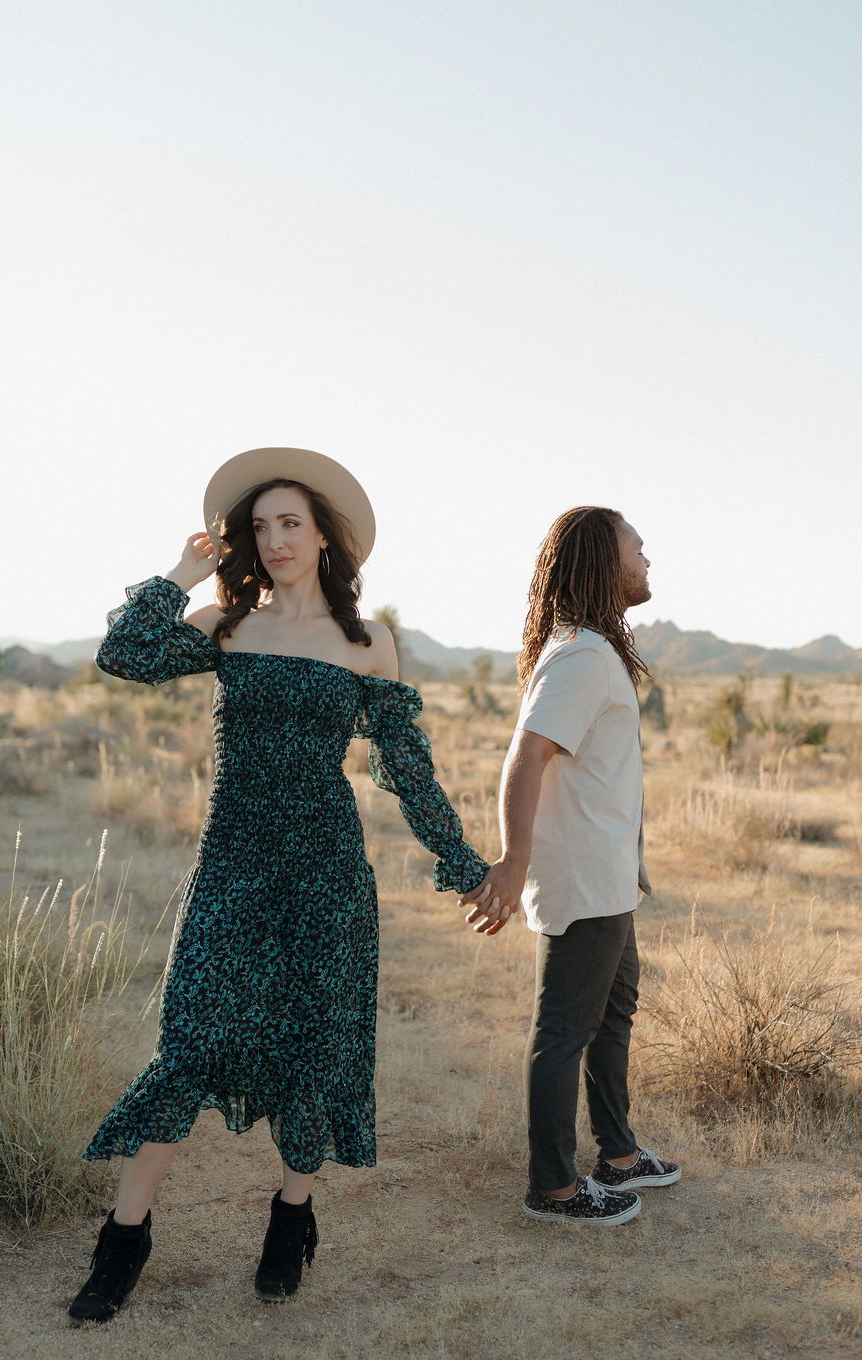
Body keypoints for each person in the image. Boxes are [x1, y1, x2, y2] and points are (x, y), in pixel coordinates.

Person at [68, 447, 494, 1323]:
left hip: (326, 873)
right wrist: (184, 571)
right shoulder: (232, 627)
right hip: (232, 867)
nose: (273, 540)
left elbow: (406, 767)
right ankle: (123, 1241)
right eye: (259, 528)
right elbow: (124, 652)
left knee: (317, 1044)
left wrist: (463, 863)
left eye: (289, 523)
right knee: (189, 1045)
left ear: (325, 535)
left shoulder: (369, 645)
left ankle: (290, 1219)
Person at [462, 506, 680, 1223]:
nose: (648, 558)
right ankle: (552, 1187)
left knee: (612, 1013)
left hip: (611, 873)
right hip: (583, 876)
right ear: (600, 561)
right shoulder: (584, 654)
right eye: (636, 548)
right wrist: (512, 859)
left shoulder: (591, 650)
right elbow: (528, 754)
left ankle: (617, 1154)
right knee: (564, 1029)